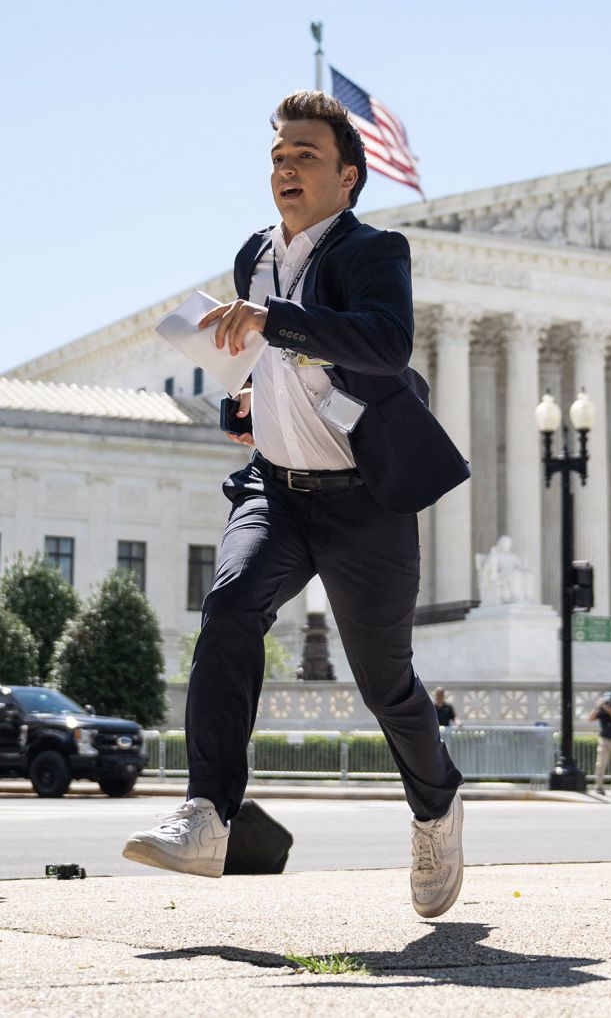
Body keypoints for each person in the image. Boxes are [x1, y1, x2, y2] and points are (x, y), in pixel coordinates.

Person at [122, 91, 471, 918]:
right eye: (279, 155)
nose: (286, 167)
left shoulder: (375, 251)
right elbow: (259, 362)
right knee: (230, 606)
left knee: (385, 683)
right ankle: (208, 813)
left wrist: (277, 321)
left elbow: (385, 348)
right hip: (277, 490)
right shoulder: (255, 253)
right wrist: (244, 402)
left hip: (364, 503)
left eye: (305, 156)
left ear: (347, 177)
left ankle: (437, 806)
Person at [588, 691, 611, 796]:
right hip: (604, 740)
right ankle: (598, 786)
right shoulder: (600, 710)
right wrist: (597, 706)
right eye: (606, 700)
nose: (608, 703)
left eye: (610, 700)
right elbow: (590, 718)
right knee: (601, 764)